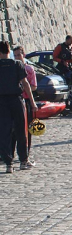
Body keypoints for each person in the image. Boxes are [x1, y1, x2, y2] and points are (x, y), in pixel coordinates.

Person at [0, 41, 37, 173]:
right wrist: (32, 103)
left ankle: (8, 164)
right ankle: (23, 161)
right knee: (21, 130)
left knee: (4, 132)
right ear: (8, 50)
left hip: (2, 102)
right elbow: (25, 84)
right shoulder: (17, 64)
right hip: (16, 100)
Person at [11, 45, 37, 161]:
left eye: (19, 55)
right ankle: (10, 152)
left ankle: (26, 153)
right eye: (15, 55)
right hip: (15, 100)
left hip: (25, 100)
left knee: (27, 128)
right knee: (12, 129)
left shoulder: (29, 69)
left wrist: (25, 89)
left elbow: (34, 86)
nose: (17, 57)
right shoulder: (12, 68)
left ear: (23, 55)